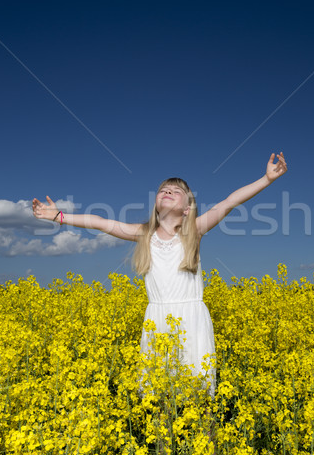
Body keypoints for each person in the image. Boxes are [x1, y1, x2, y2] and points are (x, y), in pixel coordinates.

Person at [32, 152, 287, 396]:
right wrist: (58, 216)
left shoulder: (194, 231)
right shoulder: (144, 234)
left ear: (187, 208)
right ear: (156, 203)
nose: (168, 192)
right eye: (164, 190)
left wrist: (266, 179)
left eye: (177, 192)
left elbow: (231, 201)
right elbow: (100, 222)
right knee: (162, 399)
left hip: (192, 321)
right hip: (157, 320)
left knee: (200, 396)